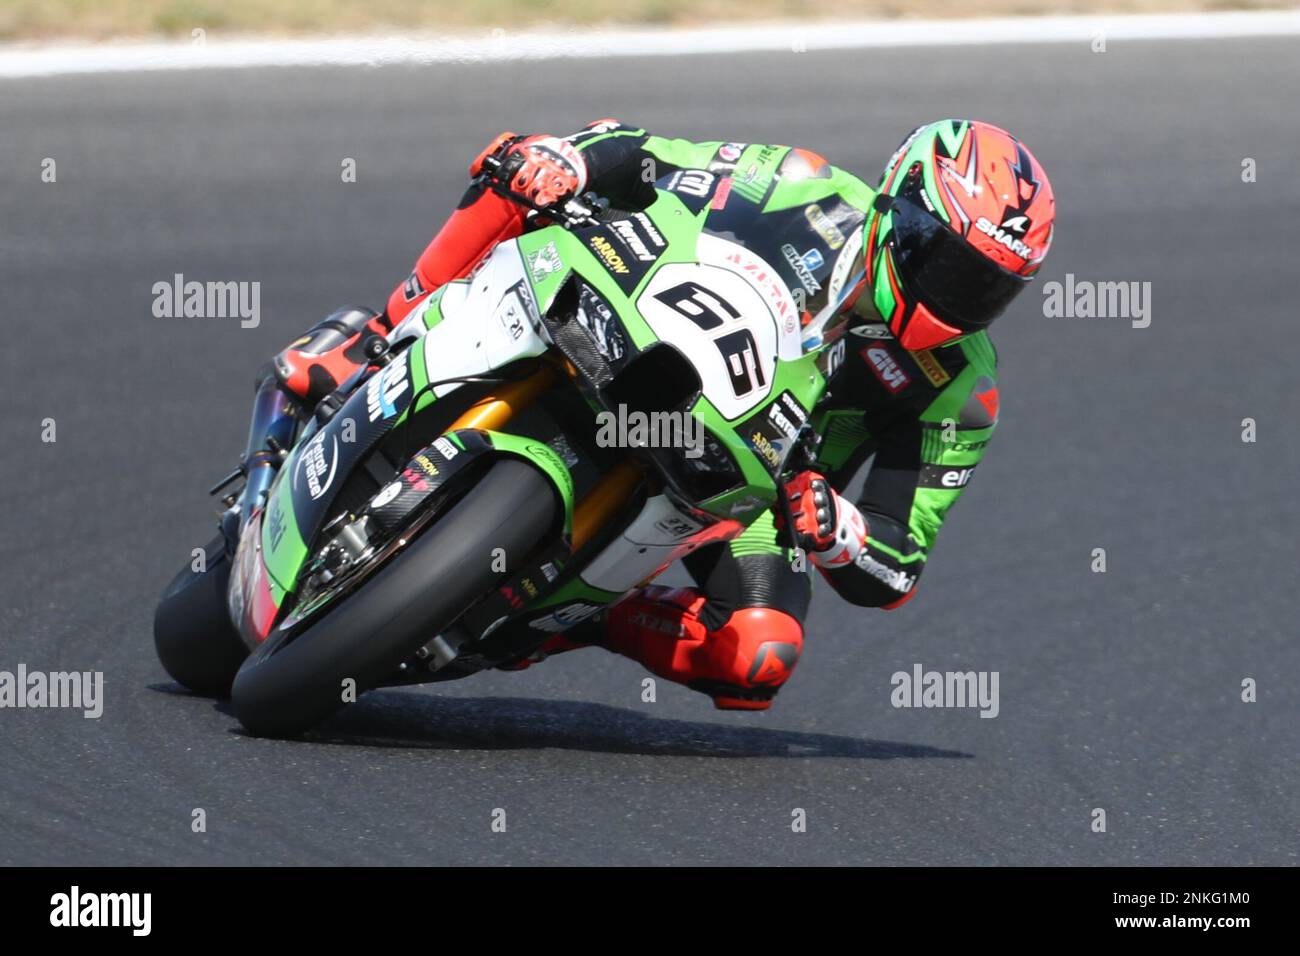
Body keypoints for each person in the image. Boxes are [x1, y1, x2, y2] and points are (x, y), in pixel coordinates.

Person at [259, 118, 1055, 711]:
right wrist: (569, 162)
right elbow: (641, 152)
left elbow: (897, 564)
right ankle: (380, 331)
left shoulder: (961, 387)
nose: (956, 299)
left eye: (986, 288)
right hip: (653, 337)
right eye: (945, 264)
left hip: (754, 492)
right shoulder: (802, 182)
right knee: (521, 160)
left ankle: (587, 614)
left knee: (758, 657)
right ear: (899, 210)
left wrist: (839, 528)